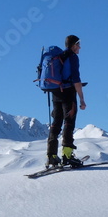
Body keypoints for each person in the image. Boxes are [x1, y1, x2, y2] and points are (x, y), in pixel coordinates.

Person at [46, 35, 86, 168]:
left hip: (56, 92)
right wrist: (82, 99)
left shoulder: (59, 57)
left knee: (56, 123)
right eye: (78, 44)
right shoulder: (73, 57)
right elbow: (75, 79)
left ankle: (51, 156)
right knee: (69, 122)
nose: (79, 47)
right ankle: (67, 156)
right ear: (74, 45)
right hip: (68, 93)